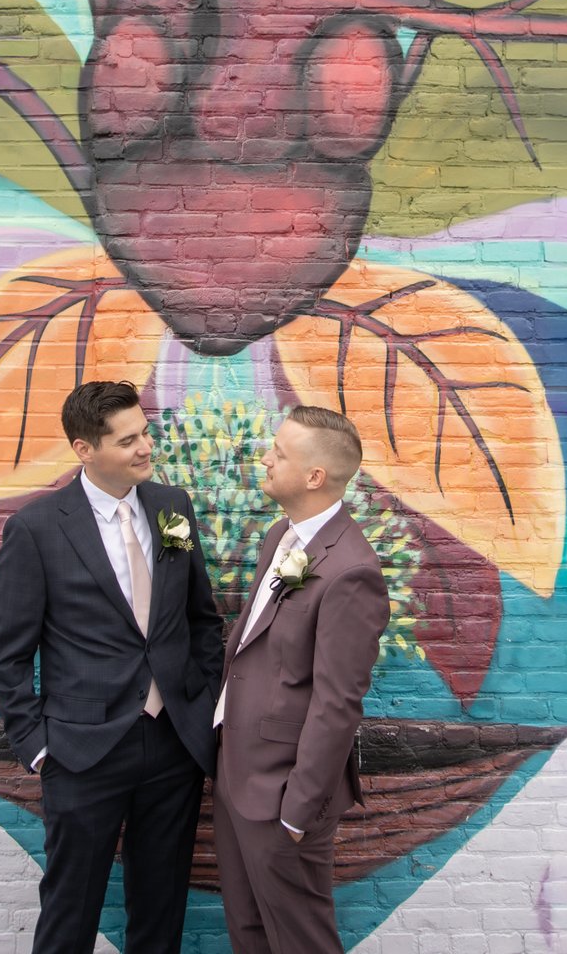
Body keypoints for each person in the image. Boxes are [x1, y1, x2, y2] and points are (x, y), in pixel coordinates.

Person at [0, 379, 224, 954]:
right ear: (84, 449)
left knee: (161, 908)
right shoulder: (37, 529)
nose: (145, 448)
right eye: (127, 441)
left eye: (145, 433)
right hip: (83, 750)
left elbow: (201, 619)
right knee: (71, 910)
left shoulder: (172, 507)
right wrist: (38, 744)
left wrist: (201, 706)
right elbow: (6, 654)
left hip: (173, 745)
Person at [212, 404, 390, 954]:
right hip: (236, 775)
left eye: (279, 453)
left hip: (282, 794)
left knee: (300, 942)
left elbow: (337, 704)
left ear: (315, 476)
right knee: (250, 934)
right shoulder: (280, 539)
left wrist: (296, 812)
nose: (265, 459)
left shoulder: (351, 571)